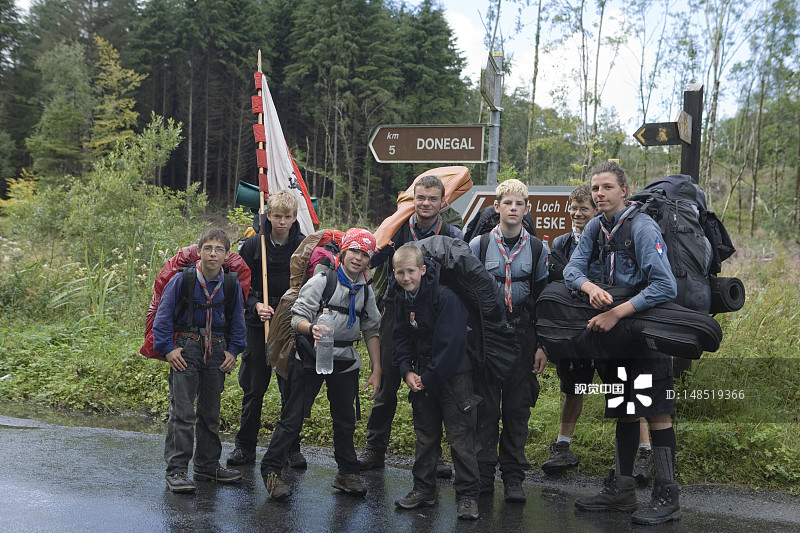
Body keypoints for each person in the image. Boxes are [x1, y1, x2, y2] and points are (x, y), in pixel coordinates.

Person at [564, 161, 680, 525]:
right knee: (625, 407)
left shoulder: (642, 227)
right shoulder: (596, 227)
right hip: (616, 339)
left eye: (607, 188)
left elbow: (666, 285)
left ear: (623, 191)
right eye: (596, 188)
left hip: (645, 334)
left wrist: (617, 312)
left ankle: (667, 496)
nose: (599, 194)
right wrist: (591, 287)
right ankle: (622, 490)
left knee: (655, 410)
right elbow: (572, 268)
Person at [262, 228, 381, 501]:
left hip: (345, 361)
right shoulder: (322, 280)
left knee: (345, 420)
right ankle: (271, 471)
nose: (358, 258)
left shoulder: (365, 289)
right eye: (354, 251)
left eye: (364, 254)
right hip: (310, 357)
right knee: (292, 419)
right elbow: (296, 317)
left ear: (369, 260)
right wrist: (312, 327)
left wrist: (377, 369)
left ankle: (347, 473)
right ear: (343, 251)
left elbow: (371, 329)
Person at [358, 174, 463, 477]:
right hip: (397, 311)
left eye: (432, 198)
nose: (426, 204)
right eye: (420, 198)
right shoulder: (398, 229)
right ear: (412, 200)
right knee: (388, 382)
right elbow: (371, 258)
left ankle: (435, 457)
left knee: (435, 385)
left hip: (436, 316)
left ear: (443, 202)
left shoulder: (453, 233)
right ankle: (375, 449)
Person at [468, 178, 548, 503]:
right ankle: (483, 477)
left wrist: (543, 345)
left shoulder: (540, 249)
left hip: (522, 340)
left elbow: (543, 301)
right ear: (497, 207)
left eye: (519, 204)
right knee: (485, 411)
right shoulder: (480, 245)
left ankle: (514, 478)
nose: (513, 209)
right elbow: (465, 293)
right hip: (487, 341)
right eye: (507, 203)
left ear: (526, 210)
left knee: (517, 411)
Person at [391, 245, 481, 520]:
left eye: (410, 272)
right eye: (400, 273)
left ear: (422, 270)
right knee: (425, 436)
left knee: (460, 437)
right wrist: (407, 371)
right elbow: (401, 337)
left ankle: (467, 496)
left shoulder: (445, 297)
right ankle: (423, 490)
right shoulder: (402, 297)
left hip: (454, 375)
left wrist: (427, 378)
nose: (406, 278)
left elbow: (451, 345)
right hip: (422, 374)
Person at [154, 228, 247, 493]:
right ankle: (177, 470)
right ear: (199, 251)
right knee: (182, 412)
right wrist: (168, 349)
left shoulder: (231, 285)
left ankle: (207, 465)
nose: (213, 254)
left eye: (219, 249)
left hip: (217, 351)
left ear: (227, 255)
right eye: (208, 248)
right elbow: (163, 318)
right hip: (186, 349)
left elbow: (238, 323)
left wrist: (233, 351)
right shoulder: (182, 280)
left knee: (210, 412)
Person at [227, 191, 307, 468]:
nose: (282, 222)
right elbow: (239, 287)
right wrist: (254, 306)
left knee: (290, 388)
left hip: (289, 323)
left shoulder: (302, 246)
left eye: (287, 217)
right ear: (268, 216)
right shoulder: (252, 245)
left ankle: (290, 448)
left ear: (295, 217)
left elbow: (309, 288)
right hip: (258, 321)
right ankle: (244, 447)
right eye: (276, 216)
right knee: (254, 387)